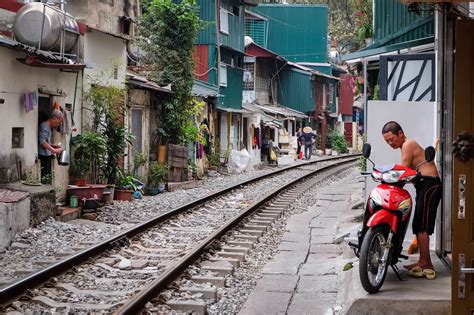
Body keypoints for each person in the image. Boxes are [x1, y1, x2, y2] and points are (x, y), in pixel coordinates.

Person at [381, 121, 442, 279]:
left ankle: (425, 263)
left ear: (400, 133)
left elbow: (403, 170)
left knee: (422, 225)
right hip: (424, 186)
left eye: (391, 139)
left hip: (429, 185)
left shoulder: (408, 144)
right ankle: (424, 261)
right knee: (419, 224)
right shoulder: (405, 145)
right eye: (386, 141)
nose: (389, 143)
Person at [38, 110, 64, 178]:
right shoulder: (44, 126)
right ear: (54, 119)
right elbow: (42, 142)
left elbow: (46, 142)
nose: (58, 124)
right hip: (43, 156)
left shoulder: (48, 127)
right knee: (45, 177)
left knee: (48, 177)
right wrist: (54, 150)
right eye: (59, 122)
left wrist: (53, 145)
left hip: (47, 155)